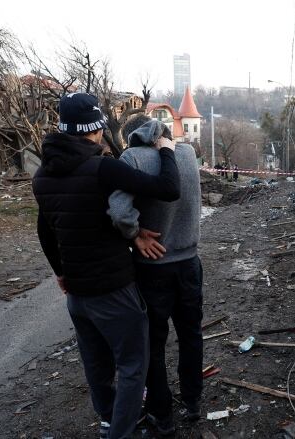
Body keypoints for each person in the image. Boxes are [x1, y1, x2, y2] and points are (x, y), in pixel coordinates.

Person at [32, 93, 181, 439]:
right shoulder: (104, 168)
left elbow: (46, 230)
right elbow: (168, 188)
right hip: (114, 291)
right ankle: (122, 432)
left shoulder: (42, 176)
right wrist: (166, 148)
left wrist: (60, 273)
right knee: (132, 365)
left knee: (96, 364)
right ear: (97, 130)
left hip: (77, 296)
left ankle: (107, 420)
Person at [108, 115, 203, 436]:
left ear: (132, 135)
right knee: (191, 335)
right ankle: (193, 402)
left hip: (153, 268)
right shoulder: (187, 153)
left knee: (154, 345)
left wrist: (134, 232)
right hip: (190, 263)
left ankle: (162, 415)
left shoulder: (132, 158)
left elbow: (119, 212)